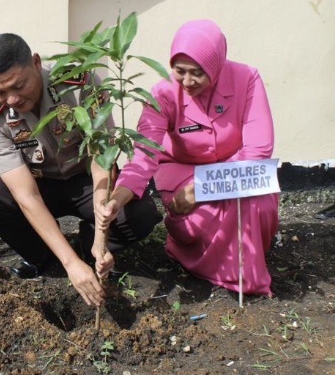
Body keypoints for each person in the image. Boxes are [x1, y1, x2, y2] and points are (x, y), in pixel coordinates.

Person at [0, 33, 162, 307]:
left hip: (87, 181)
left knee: (141, 215)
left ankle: (88, 245)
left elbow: (100, 160)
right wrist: (69, 264)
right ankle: (44, 256)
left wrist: (101, 237)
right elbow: (27, 195)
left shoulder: (81, 84)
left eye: (18, 86)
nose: (11, 99)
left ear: (35, 63)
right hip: (41, 185)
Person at [94, 20, 278, 296]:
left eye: (198, 73)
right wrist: (119, 197)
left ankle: (245, 268)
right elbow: (145, 151)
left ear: (216, 65)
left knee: (259, 201)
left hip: (236, 166)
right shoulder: (162, 93)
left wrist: (203, 188)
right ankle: (195, 256)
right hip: (181, 168)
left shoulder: (247, 79)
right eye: (180, 71)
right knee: (202, 217)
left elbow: (258, 150)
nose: (188, 82)